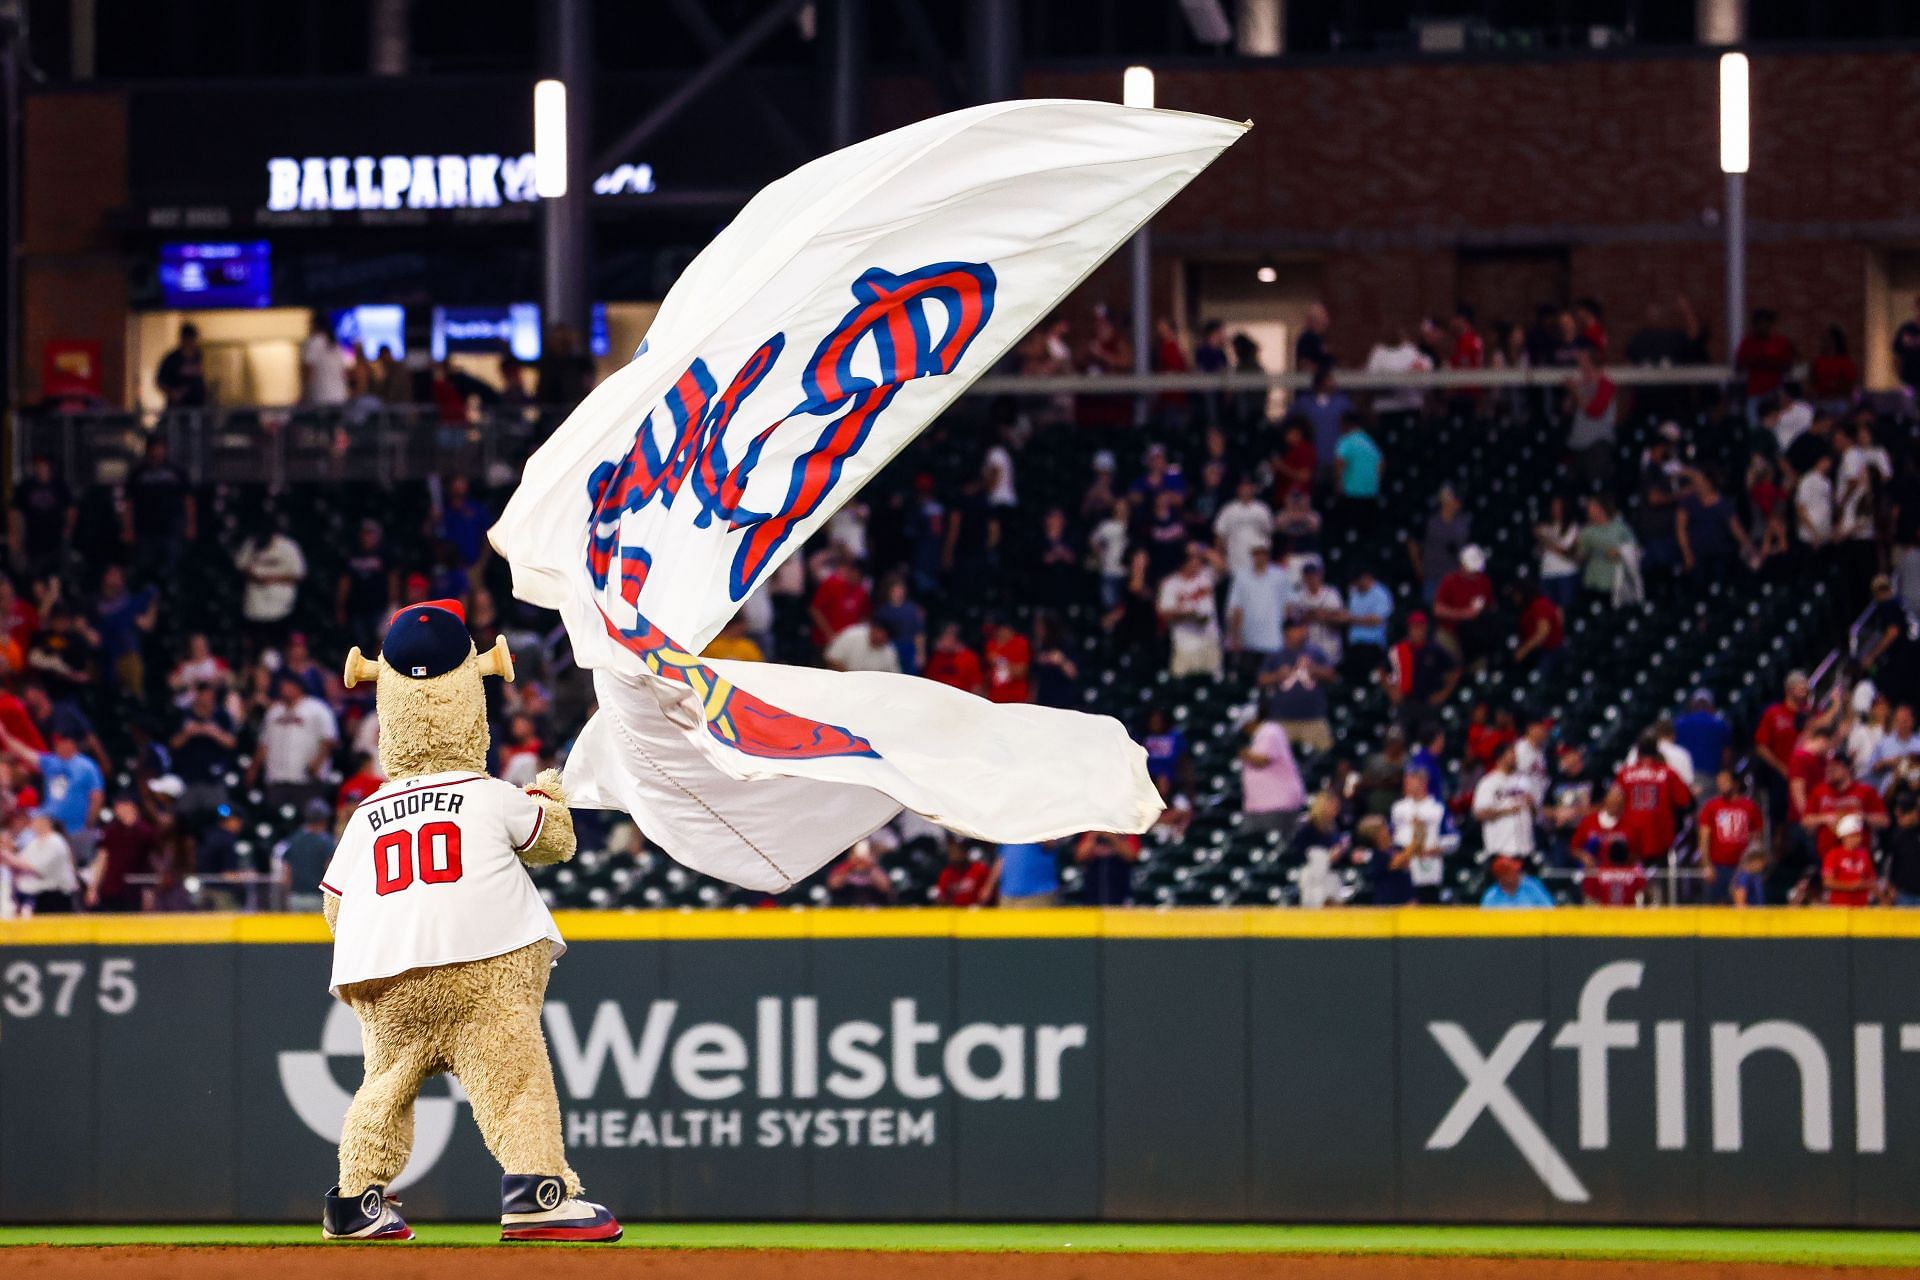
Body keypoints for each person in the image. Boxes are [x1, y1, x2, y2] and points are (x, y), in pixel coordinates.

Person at [1258, 619, 1338, 753]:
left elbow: (1332, 675)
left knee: (1325, 754)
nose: (1303, 632)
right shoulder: (1276, 655)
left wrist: (1314, 669)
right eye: (1298, 629)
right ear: (1287, 633)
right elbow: (1261, 679)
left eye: (1303, 628)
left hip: (1313, 719)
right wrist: (1278, 675)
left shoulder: (1315, 653)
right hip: (1283, 720)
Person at [1389, 767, 1456, 904]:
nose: (1406, 784)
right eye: (1405, 780)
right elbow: (1391, 835)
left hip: (1427, 865)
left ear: (1423, 782)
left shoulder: (1437, 808)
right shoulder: (1398, 808)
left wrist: (1437, 849)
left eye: (1410, 780)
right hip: (1403, 866)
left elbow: (1453, 838)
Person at [1156, 543, 1222, 679]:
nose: (1197, 562)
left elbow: (1222, 566)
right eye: (1193, 559)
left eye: (1198, 559)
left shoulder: (1206, 575)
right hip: (1184, 643)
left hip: (1210, 640)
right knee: (1182, 685)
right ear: (1183, 562)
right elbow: (1164, 613)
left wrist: (1202, 548)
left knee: (1213, 685)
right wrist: (1190, 615)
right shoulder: (1171, 583)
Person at [1698, 770, 1763, 902]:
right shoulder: (1711, 807)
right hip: (1718, 867)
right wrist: (1706, 865)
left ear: (1735, 784)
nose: (1722, 785)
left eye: (1725, 782)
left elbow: (1756, 838)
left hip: (1743, 867)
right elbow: (1704, 838)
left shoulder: (1749, 806)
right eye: (1719, 783)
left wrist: (1751, 864)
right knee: (1716, 906)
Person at [0, 812, 79, 914]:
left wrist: (5, 855)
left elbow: (36, 868)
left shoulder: (55, 841)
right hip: (38, 896)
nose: (33, 824)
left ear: (46, 824)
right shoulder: (35, 842)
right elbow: (20, 861)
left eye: (37, 822)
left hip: (55, 896)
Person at [1239, 718, 1305, 838]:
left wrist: (1243, 753)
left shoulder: (1269, 730)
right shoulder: (1258, 736)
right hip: (1260, 808)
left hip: (1276, 807)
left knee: (1275, 845)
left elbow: (1263, 760)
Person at [1474, 744, 1536, 864]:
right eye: (1511, 755)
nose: (1515, 759)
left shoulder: (1523, 781)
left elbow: (1535, 813)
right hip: (1501, 848)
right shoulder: (1488, 782)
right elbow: (1479, 814)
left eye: (1515, 755)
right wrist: (1507, 810)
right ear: (1500, 758)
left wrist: (1532, 804)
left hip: (1525, 848)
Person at [274, 799, 337, 912]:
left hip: (295, 897)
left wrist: (287, 894)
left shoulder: (294, 838)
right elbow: (329, 869)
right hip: (318, 897)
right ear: (324, 820)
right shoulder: (326, 842)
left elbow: (286, 870)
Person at [1821, 814, 1877, 907]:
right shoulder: (1833, 854)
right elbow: (1827, 882)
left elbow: (1872, 879)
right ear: (1844, 837)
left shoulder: (1864, 854)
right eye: (1854, 835)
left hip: (1861, 906)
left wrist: (1864, 885)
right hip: (1839, 906)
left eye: (1859, 835)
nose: (1858, 839)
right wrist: (1851, 886)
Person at [157, 321, 210, 410]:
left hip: (197, 407)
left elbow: (201, 380)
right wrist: (172, 393)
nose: (191, 343)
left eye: (193, 339)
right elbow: (160, 380)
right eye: (189, 339)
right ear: (183, 339)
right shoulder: (172, 359)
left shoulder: (198, 357)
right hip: (178, 408)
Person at [989, 839, 1057, 908]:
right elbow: (1001, 860)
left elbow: (1052, 843)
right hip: (1008, 896)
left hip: (1037, 895)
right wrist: (988, 888)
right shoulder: (1009, 833)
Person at [301, 314, 350, 407]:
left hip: (322, 397)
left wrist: (303, 395)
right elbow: (344, 372)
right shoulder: (336, 345)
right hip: (340, 396)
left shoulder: (315, 342)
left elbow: (309, 370)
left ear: (315, 324)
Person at [826, 841, 896, 906]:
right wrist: (851, 864)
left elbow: (885, 887)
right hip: (847, 908)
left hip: (873, 908)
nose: (860, 858)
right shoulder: (844, 868)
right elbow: (833, 884)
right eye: (854, 854)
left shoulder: (875, 869)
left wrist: (869, 865)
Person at [932, 836, 993, 906]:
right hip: (954, 912)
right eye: (952, 852)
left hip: (977, 911)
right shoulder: (946, 873)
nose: (954, 855)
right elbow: (942, 896)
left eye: (958, 851)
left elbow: (988, 894)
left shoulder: (979, 869)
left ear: (965, 852)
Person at [823, 620, 901, 674]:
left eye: (882, 638)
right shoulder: (852, 634)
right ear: (873, 629)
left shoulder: (889, 651)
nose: (878, 637)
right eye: (877, 633)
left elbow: (894, 675)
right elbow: (832, 659)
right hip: (843, 680)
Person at [1480, 854, 1553, 908]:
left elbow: (1550, 910)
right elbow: (1484, 921)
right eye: (1512, 872)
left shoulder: (1532, 886)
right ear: (1501, 877)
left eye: (1517, 870)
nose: (1517, 874)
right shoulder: (1491, 895)